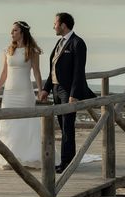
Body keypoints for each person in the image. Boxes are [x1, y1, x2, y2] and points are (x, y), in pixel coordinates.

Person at [38, 12, 96, 173]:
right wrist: (46, 89)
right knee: (63, 127)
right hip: (56, 90)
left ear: (63, 25)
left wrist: (74, 94)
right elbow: (53, 69)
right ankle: (66, 161)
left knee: (68, 127)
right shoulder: (59, 43)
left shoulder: (78, 43)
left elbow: (79, 71)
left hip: (68, 91)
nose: (53, 26)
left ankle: (66, 163)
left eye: (55, 23)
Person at [0, 21, 43, 169]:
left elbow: (36, 72)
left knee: (26, 124)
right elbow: (4, 72)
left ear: (22, 32)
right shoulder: (8, 50)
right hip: (9, 93)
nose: (12, 33)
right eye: (12, 31)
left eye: (15, 31)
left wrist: (40, 90)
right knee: (9, 124)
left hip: (25, 92)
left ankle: (28, 157)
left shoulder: (32, 50)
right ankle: (9, 158)